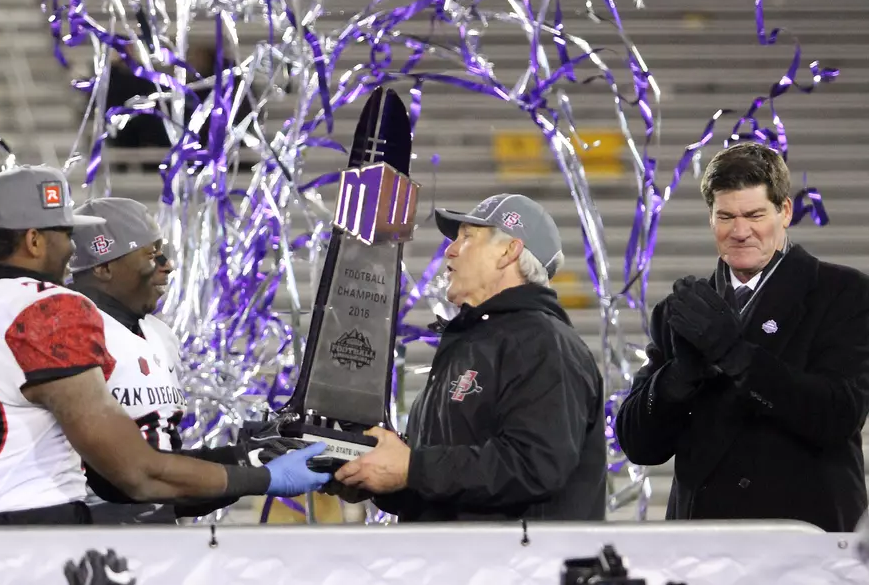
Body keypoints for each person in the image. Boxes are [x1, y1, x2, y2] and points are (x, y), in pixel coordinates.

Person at [0, 164, 331, 525]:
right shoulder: (47, 310)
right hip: (36, 540)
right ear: (34, 240)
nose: (71, 249)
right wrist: (263, 478)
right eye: (65, 233)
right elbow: (137, 474)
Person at [615, 142, 869, 532]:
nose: (740, 231)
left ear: (784, 212)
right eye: (726, 216)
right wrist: (678, 377)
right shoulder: (679, 311)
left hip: (804, 541)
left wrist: (735, 354)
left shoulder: (843, 293)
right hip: (702, 542)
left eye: (754, 214)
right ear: (711, 218)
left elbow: (838, 415)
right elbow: (639, 444)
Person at [332, 194, 607, 521]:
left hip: (514, 568)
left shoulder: (544, 343)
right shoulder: (471, 343)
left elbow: (534, 466)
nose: (449, 249)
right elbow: (442, 482)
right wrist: (376, 475)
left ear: (509, 251)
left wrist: (413, 467)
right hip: (456, 565)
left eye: (467, 237)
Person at [67, 196, 250, 523]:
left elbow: (164, 467)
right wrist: (255, 473)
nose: (167, 264)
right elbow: (129, 482)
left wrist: (251, 456)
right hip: (83, 540)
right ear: (104, 266)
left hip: (151, 535)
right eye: (151, 254)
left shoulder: (158, 335)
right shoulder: (70, 332)